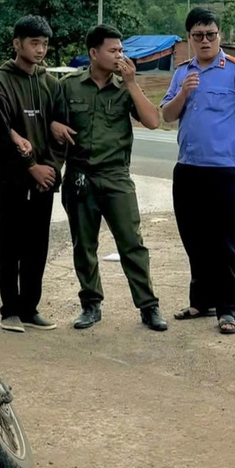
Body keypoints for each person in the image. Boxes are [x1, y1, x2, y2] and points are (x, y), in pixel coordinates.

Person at [53, 24, 168, 332]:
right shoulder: (69, 85)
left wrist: (131, 83)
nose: (120, 56)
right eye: (113, 50)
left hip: (116, 176)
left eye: (121, 50)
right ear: (94, 53)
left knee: (132, 243)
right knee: (83, 245)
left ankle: (149, 307)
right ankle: (91, 305)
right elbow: (52, 119)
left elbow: (153, 121)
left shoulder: (124, 85)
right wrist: (53, 125)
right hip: (79, 175)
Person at [160, 7, 235, 335]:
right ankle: (200, 301)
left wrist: (233, 144)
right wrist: (185, 92)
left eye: (211, 34)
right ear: (188, 38)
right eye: (198, 36)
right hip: (188, 167)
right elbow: (167, 115)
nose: (205, 41)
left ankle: (227, 309)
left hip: (224, 170)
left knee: (224, 241)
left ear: (220, 35)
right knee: (194, 238)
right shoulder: (182, 73)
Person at [0, 15, 63, 333]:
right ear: (17, 44)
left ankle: (30, 307)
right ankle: (10, 309)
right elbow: (2, 132)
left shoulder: (50, 83)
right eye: (33, 43)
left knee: (37, 244)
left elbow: (60, 132)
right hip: (12, 177)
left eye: (44, 44)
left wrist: (51, 169)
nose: (40, 50)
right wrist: (31, 168)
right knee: (10, 242)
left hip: (45, 179)